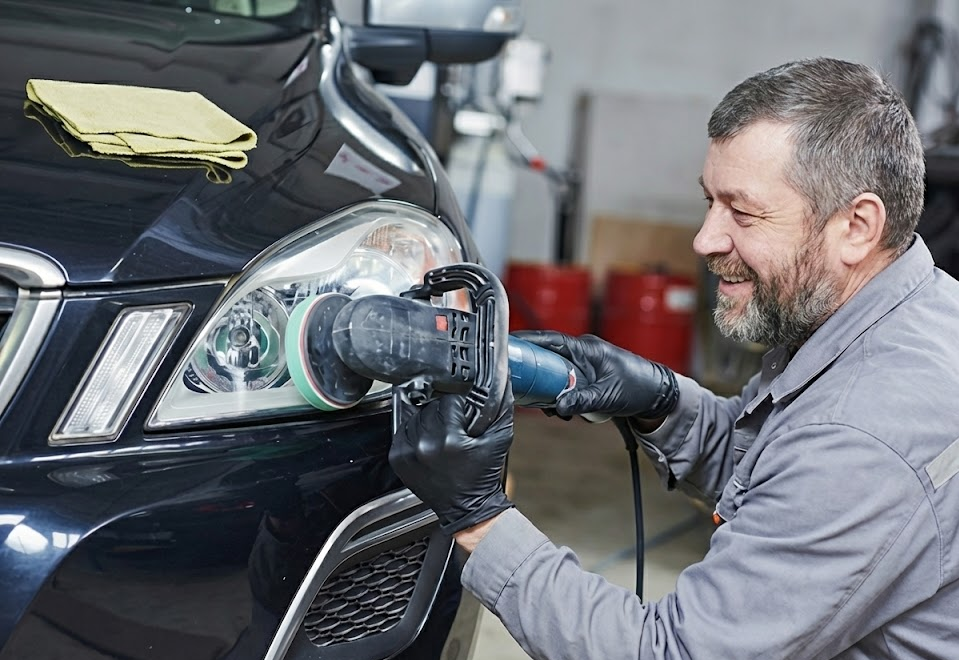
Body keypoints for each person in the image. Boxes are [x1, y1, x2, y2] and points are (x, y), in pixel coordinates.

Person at [389, 57, 959, 659]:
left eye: (743, 212)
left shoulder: (865, 433)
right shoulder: (914, 310)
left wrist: (481, 521)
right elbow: (781, 479)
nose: (705, 239)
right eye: (710, 202)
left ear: (857, 226)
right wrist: (664, 402)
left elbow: (673, 654)